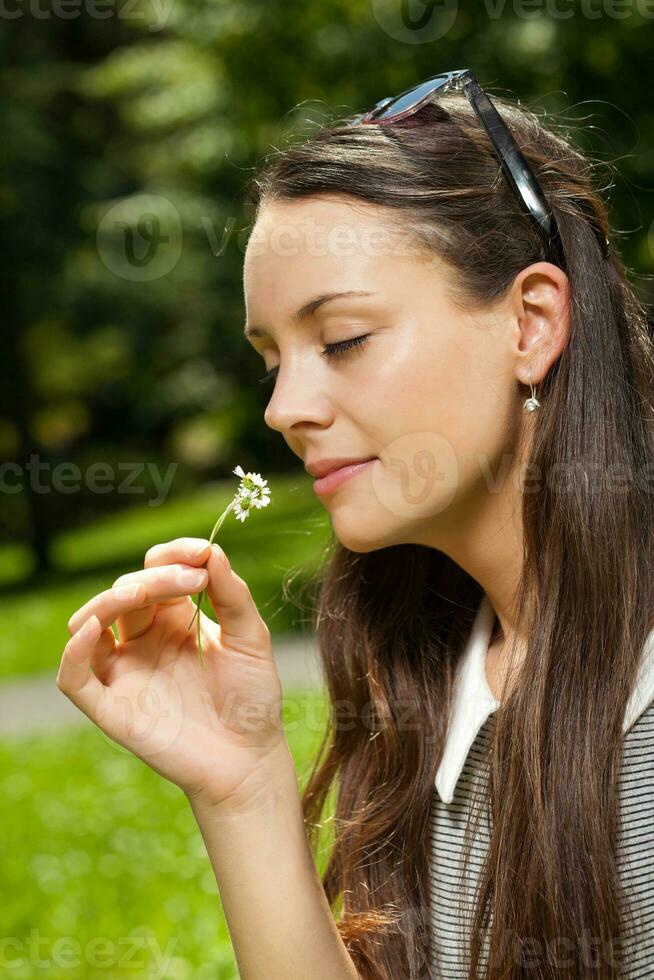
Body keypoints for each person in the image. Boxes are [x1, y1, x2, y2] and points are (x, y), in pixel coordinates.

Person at [57, 73, 654, 980]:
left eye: (341, 340)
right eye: (271, 361)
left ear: (530, 323)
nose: (284, 408)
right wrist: (243, 786)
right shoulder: (437, 667)